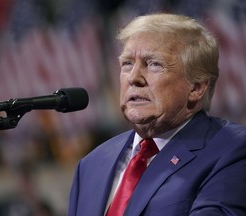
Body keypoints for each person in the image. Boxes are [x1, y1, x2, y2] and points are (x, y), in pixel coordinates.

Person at [68, 13, 246, 216]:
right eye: (127, 63)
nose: (134, 78)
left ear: (196, 88)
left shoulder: (233, 151)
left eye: (154, 64)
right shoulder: (91, 165)